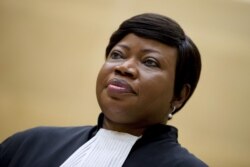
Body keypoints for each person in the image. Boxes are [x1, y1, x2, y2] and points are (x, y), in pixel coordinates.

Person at [0, 13, 208, 167]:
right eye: (117, 55)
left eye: (150, 62)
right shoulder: (28, 145)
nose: (124, 67)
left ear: (180, 95)